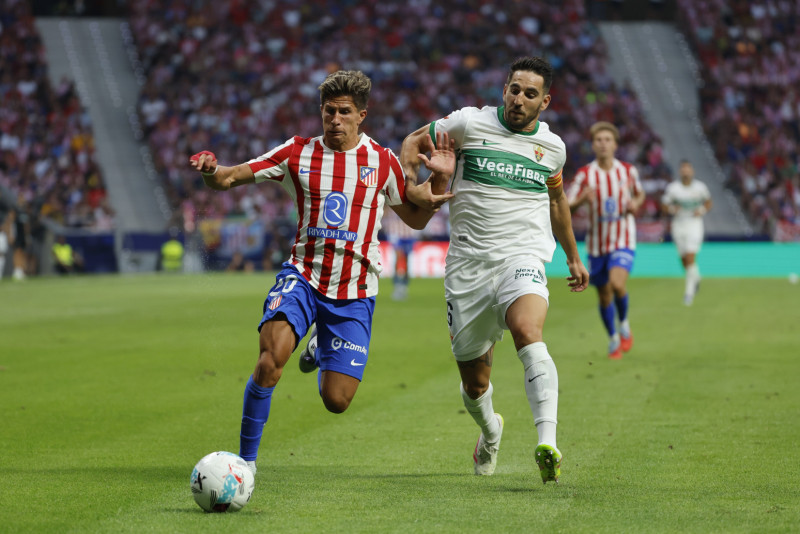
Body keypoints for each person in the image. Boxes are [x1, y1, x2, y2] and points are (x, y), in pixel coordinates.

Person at [189, 70, 454, 476]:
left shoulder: (381, 161)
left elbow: (416, 219)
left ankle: (320, 345)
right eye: (329, 111)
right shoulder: (296, 152)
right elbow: (227, 178)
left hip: (354, 291)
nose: (335, 119)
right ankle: (246, 463)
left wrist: (441, 176)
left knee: (337, 400)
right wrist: (211, 169)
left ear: (361, 115)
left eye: (344, 112)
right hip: (303, 277)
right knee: (270, 360)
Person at [400, 57, 590, 484]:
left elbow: (557, 201)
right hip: (467, 266)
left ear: (545, 101)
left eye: (530, 94)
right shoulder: (468, 123)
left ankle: (548, 443)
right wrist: (414, 185)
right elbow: (412, 142)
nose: (519, 99)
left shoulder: (552, 148)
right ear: (504, 89)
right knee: (474, 384)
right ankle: (490, 432)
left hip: (522, 257)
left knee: (528, 331)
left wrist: (573, 257)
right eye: (514, 90)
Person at [567, 121, 645, 360]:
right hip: (596, 244)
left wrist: (635, 204)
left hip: (623, 238)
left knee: (617, 284)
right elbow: (566, 206)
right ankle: (613, 339)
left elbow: (639, 193)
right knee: (603, 295)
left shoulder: (628, 171)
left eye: (607, 140)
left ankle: (624, 323)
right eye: (598, 140)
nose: (603, 144)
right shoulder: (585, 175)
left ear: (615, 145)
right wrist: (582, 200)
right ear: (593, 145)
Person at [661, 160, 712, 306]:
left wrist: (701, 210)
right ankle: (697, 277)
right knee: (684, 261)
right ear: (680, 172)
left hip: (694, 225)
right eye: (683, 169)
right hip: (678, 224)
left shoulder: (700, 187)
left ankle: (689, 294)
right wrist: (672, 209)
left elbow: (708, 202)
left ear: (692, 171)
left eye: (688, 169)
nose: (685, 172)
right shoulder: (673, 188)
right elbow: (664, 205)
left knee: (690, 257)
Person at [380, 209, 421, 300]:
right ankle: (396, 285)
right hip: (396, 234)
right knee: (398, 259)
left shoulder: (411, 205)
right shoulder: (393, 205)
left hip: (409, 235)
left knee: (406, 262)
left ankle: (404, 285)